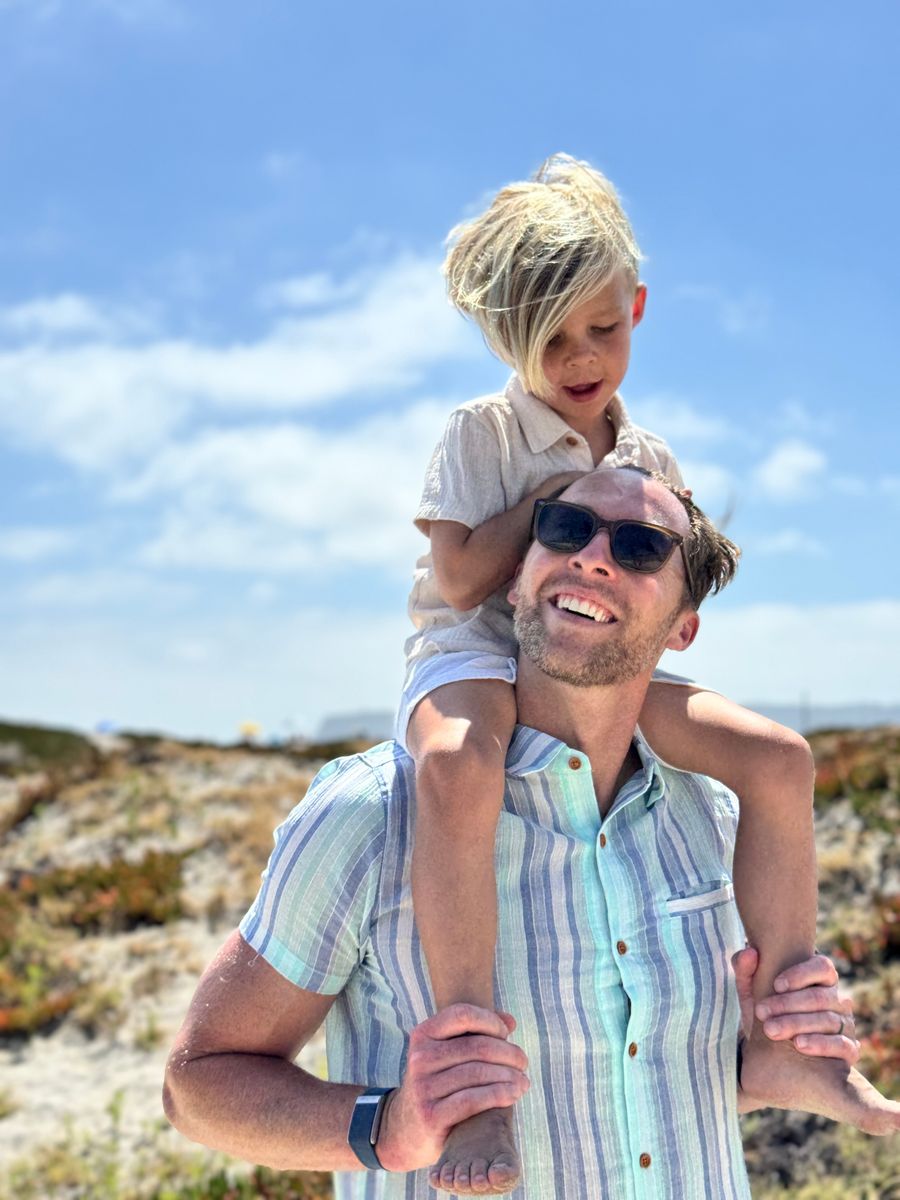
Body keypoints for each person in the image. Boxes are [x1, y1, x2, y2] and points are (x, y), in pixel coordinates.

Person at [163, 467, 899, 1199]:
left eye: (641, 546)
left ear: (684, 629)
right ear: (517, 581)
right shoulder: (377, 812)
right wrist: (386, 1127)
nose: (590, 556)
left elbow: (654, 1083)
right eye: (567, 529)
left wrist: (766, 1035)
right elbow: (197, 1086)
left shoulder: (715, 818)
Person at [400, 153, 838, 1189]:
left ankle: (784, 1038)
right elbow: (461, 577)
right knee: (459, 770)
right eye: (551, 339)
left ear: (637, 308)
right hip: (474, 656)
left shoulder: (650, 447)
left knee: (777, 760)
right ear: (508, 339)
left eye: (605, 328)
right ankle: (473, 1096)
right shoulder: (484, 431)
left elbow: (679, 575)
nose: (582, 355)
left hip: (596, 667)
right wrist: (562, 496)